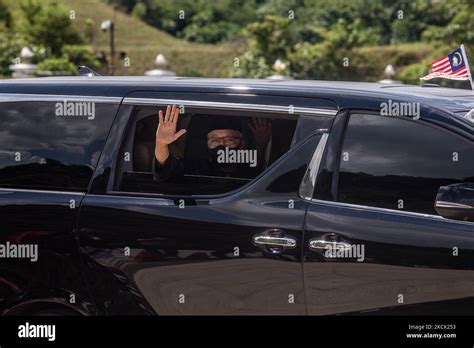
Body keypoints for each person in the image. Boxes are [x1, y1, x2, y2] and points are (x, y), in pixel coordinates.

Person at [153, 104, 271, 182]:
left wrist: (261, 144)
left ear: (242, 143)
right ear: (207, 143)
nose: (221, 144)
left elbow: (257, 170)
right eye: (214, 140)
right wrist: (161, 143)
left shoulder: (247, 169)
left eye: (229, 139)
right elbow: (165, 171)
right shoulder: (196, 168)